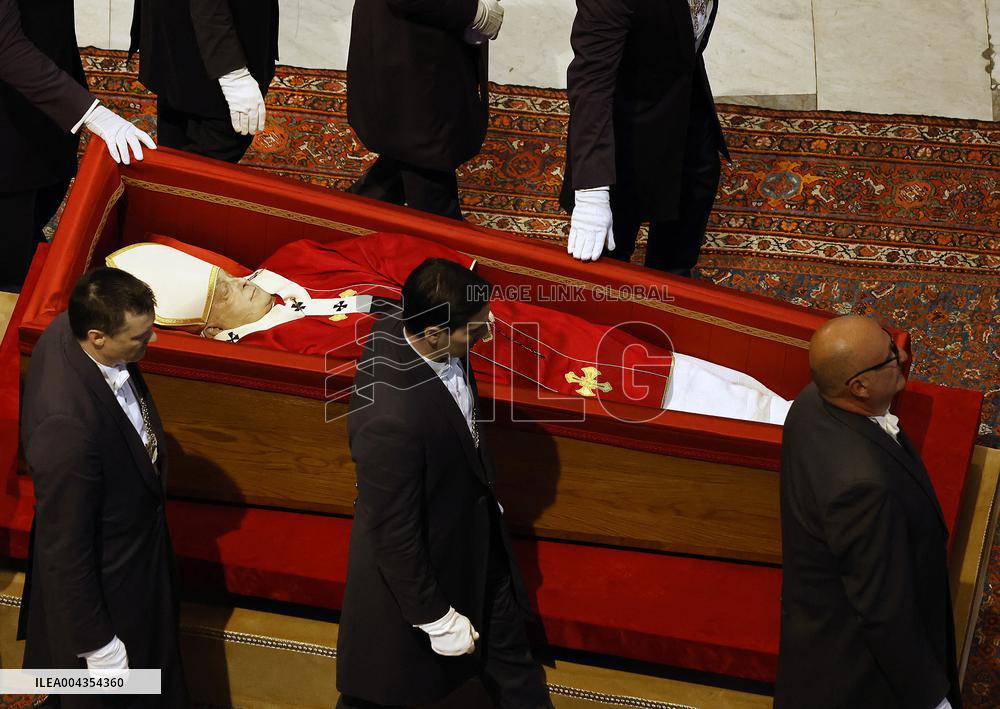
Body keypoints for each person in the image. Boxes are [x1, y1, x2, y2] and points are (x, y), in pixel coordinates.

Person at [107, 234, 792, 424]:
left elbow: (382, 252)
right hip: (491, 379)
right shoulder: (276, 356)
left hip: (509, 326)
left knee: (648, 360)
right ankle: (783, 433)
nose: (240, 280)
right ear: (207, 325)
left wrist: (456, 289)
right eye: (225, 291)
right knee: (645, 406)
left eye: (223, 272)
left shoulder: (289, 263)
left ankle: (787, 409)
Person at [337, 258, 552, 707]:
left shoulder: (422, 325)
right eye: (476, 330)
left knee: (516, 670)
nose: (487, 335)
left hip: (475, 545)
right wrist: (435, 617)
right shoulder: (391, 420)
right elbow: (394, 532)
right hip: (427, 569)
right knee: (385, 693)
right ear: (433, 333)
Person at [18, 268, 188, 707]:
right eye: (139, 338)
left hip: (135, 564)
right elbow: (65, 548)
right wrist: (99, 645)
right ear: (96, 336)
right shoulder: (67, 426)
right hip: (106, 593)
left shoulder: (71, 327)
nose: (150, 344)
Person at [775, 315, 961, 709]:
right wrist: (933, 698)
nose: (904, 356)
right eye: (891, 357)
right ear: (858, 386)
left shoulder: (810, 402)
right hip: (857, 669)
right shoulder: (863, 488)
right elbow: (884, 609)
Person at [560, 0, 728, 276]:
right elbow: (591, 84)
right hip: (623, 136)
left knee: (692, 197)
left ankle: (674, 284)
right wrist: (593, 193)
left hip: (682, 93)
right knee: (610, 260)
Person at [0, 0, 155, 292]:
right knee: (11, 267)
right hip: (10, 139)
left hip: (50, 105)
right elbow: (6, 47)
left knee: (40, 213)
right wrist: (91, 113)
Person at [346, 0, 504, 219]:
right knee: (433, 193)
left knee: (404, 161)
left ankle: (341, 221)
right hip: (415, 62)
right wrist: (474, 12)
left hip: (414, 54)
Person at [129, 0, 279, 162]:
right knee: (209, 160)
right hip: (220, 40)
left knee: (174, 138)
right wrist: (232, 72)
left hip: (177, 31)